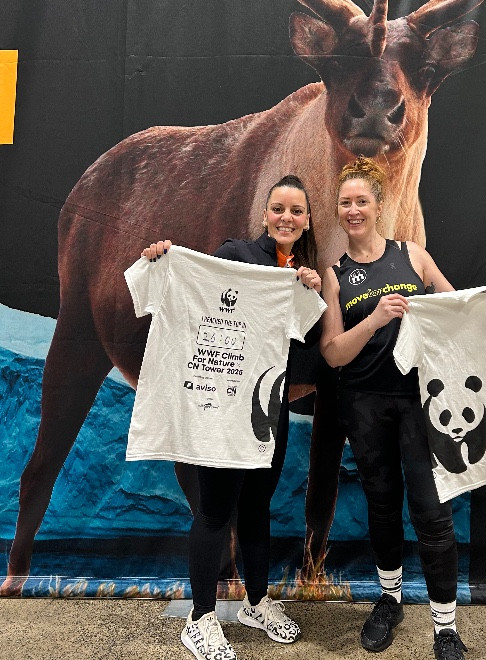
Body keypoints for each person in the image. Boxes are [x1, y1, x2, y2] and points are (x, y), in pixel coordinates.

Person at [320, 157, 486, 660]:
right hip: (363, 405)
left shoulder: (412, 256)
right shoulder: (334, 275)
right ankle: (389, 601)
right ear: (337, 210)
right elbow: (333, 353)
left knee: (432, 511)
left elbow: (464, 311)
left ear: (379, 205)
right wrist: (374, 320)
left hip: (422, 404)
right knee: (382, 506)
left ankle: (445, 627)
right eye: (345, 202)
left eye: (362, 200)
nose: (353, 210)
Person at [142, 175, 322, 660]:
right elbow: (195, 294)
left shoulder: (301, 274)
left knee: (257, 507)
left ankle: (256, 603)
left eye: (297, 211)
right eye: (278, 208)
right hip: (222, 413)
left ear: (307, 221)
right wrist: (165, 260)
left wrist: (309, 292)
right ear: (265, 214)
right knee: (215, 511)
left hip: (270, 413)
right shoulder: (236, 254)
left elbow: (307, 342)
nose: (286, 218)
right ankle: (200, 619)